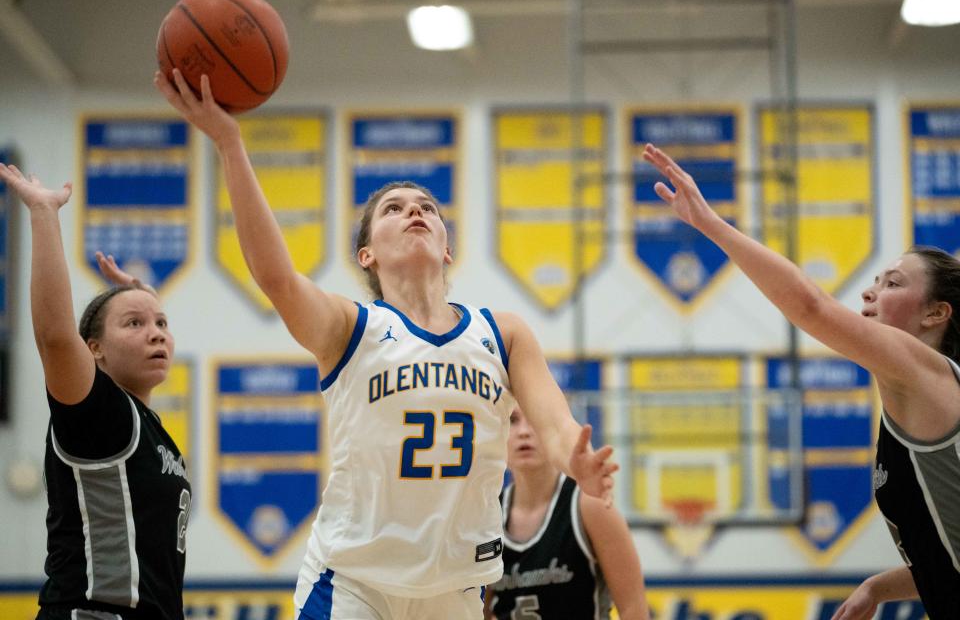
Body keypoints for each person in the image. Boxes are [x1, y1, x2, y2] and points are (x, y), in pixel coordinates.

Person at [154, 69, 618, 620]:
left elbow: (556, 426)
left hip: (457, 586)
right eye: (393, 209)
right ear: (366, 255)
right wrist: (231, 143)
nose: (414, 211)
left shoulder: (503, 332)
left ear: (447, 248)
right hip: (355, 581)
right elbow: (277, 276)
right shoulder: (351, 328)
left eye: (426, 207)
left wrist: (577, 463)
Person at [641, 144, 960, 619]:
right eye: (876, 280)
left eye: (893, 283)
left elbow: (812, 307)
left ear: (936, 314)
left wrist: (710, 224)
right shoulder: (912, 397)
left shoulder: (923, 371)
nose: (871, 290)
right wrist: (876, 588)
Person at [0, 164, 191, 620]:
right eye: (135, 325)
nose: (157, 334)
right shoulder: (100, 417)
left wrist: (139, 298)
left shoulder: (147, 426)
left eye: (162, 324)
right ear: (95, 350)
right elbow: (54, 337)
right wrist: (44, 213)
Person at [484, 406, 649, 620]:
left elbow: (634, 609)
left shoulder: (590, 505)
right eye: (513, 420)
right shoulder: (487, 514)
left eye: (534, 419)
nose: (524, 431)